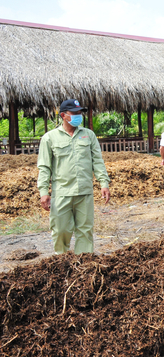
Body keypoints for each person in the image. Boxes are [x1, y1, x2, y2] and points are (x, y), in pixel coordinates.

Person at [37, 99, 111, 254]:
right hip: (62, 193)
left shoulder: (88, 135)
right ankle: (61, 262)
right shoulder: (50, 138)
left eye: (80, 113)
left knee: (85, 230)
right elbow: (44, 167)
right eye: (75, 113)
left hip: (84, 192)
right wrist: (44, 192)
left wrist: (103, 183)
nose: (79, 116)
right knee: (60, 230)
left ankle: (84, 264)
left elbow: (97, 161)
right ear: (64, 115)